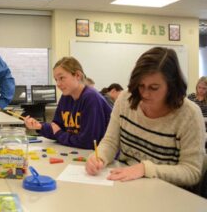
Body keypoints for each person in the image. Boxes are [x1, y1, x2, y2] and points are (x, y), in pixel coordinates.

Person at [85, 47, 205, 188]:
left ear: (172, 86)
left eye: (154, 87)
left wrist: (145, 169)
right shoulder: (125, 98)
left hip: (166, 194)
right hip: (126, 185)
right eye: (140, 86)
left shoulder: (189, 115)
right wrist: (99, 157)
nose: (145, 94)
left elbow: (192, 171)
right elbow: (110, 142)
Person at [24, 56, 112, 149]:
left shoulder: (91, 98)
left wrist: (59, 134)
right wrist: (40, 126)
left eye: (61, 78)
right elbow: (57, 128)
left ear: (78, 75)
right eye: (56, 79)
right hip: (80, 152)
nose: (58, 84)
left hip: (99, 157)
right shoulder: (66, 97)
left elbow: (87, 142)